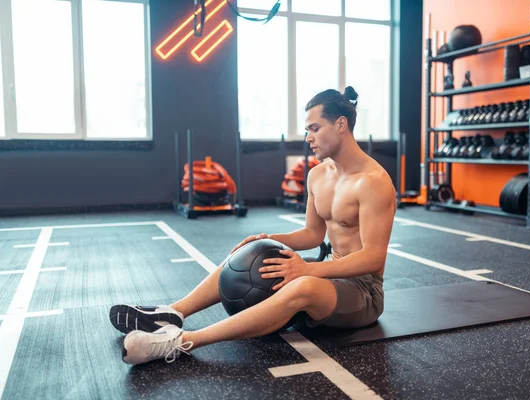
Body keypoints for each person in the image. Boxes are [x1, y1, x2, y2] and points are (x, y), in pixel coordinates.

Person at [112, 86, 398, 365]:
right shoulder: (317, 176)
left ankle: (182, 341)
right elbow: (313, 234)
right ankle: (173, 312)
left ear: (341, 124)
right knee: (255, 254)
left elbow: (373, 257)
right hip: (330, 275)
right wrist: (265, 238)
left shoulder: (373, 181)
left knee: (304, 287)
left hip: (363, 292)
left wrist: (309, 269)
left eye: (314, 128)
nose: (308, 137)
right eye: (307, 130)